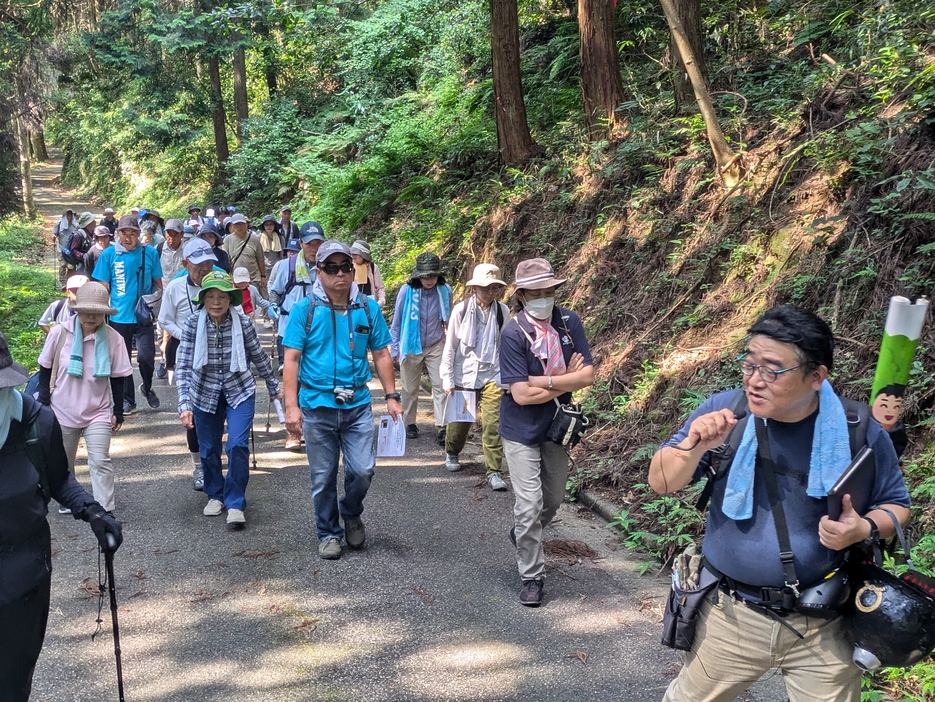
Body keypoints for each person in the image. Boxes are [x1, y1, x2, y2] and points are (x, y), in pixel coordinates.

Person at [648, 305, 911, 701]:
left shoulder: (858, 430)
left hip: (826, 621)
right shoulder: (727, 414)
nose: (754, 380)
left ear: (816, 376)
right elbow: (661, 482)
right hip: (732, 614)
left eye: (772, 369)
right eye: (749, 364)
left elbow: (896, 504)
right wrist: (694, 447)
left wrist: (864, 528)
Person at [0, 331, 122, 700]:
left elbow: (58, 479)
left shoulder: (36, 423)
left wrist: (93, 511)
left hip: (23, 570)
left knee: (12, 678)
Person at [283, 240, 402, 560]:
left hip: (357, 405)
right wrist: (291, 407)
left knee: (363, 471)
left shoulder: (367, 308)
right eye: (331, 268)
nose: (340, 274)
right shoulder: (303, 310)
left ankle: (350, 512)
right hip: (316, 405)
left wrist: (392, 396)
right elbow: (291, 358)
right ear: (318, 272)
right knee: (322, 477)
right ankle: (328, 532)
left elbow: (380, 352)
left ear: (354, 270)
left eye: (346, 267)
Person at [499, 258, 594, 607]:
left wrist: (542, 381)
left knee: (552, 500)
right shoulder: (512, 333)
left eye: (549, 291)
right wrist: (562, 380)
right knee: (529, 504)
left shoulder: (569, 322)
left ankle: (524, 534)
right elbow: (521, 396)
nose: (543, 298)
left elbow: (587, 376)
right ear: (521, 295)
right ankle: (531, 576)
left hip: (556, 426)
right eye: (535, 293)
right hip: (519, 429)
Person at [175, 271, 281, 529]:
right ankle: (215, 494)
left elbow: (258, 356)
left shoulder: (243, 323)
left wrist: (274, 387)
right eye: (210, 296)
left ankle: (235, 501)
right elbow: (184, 364)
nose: (216, 302)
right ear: (203, 299)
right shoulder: (192, 324)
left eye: (222, 296)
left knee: (236, 445)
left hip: (239, 390)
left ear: (230, 299)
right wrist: (184, 403)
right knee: (208, 448)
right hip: (204, 391)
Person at [37, 282, 133, 514]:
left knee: (100, 460)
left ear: (104, 313)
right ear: (77, 309)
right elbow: (45, 369)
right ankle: (69, 499)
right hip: (61, 409)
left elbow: (119, 377)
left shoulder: (113, 338)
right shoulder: (60, 333)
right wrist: (43, 406)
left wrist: (117, 411)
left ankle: (104, 508)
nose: (91, 315)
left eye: (97, 311)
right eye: (87, 310)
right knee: (63, 463)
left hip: (97, 410)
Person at [440, 264, 510, 490]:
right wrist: (447, 378)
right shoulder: (460, 310)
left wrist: (509, 377)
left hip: (493, 374)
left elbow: (506, 346)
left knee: (493, 423)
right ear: (475, 288)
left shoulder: (503, 312)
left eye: (494, 288)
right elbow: (450, 346)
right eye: (485, 287)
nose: (490, 292)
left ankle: (494, 471)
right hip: (464, 374)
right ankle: (452, 452)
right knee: (460, 423)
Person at [158, 238, 220, 491]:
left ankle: (214, 461)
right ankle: (199, 465)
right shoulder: (174, 287)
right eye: (199, 264)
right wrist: (188, 335)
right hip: (187, 356)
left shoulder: (219, 283)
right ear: (185, 263)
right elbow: (164, 320)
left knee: (217, 411)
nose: (205, 268)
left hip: (218, 354)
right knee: (193, 414)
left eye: (209, 263)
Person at [92, 214, 164, 415]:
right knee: (122, 362)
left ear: (139, 235)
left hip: (143, 315)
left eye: (133, 233)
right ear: (118, 234)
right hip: (118, 317)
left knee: (146, 357)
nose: (128, 237)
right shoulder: (109, 255)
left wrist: (161, 308)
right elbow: (102, 285)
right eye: (124, 233)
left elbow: (159, 283)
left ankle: (147, 387)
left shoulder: (149, 253)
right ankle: (128, 401)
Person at [269, 223, 325, 451]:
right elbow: (275, 291)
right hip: (290, 331)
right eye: (310, 243)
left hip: (321, 331)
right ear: (300, 243)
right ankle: (293, 433)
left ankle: (315, 428)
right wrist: (273, 306)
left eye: (318, 243)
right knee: (293, 380)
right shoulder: (287, 266)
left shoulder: (329, 265)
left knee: (316, 379)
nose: (314, 247)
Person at [390, 252, 452, 443]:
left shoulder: (445, 290)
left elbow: (450, 320)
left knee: (442, 385)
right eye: (425, 276)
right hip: (410, 344)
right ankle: (409, 423)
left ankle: (442, 426)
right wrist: (395, 348)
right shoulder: (406, 291)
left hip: (436, 343)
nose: (429, 279)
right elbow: (397, 322)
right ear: (418, 275)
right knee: (409, 388)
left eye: (432, 275)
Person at [222, 213, 266, 293]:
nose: (239, 226)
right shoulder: (227, 240)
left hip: (253, 279)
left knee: (253, 302)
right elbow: (225, 260)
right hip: (236, 279)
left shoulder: (254, 239)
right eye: (237, 224)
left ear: (246, 225)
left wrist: (263, 276)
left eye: (241, 224)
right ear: (232, 225)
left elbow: (260, 259)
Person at [350, 239, 386, 306]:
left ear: (363, 255)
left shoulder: (373, 267)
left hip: (370, 304)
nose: (353, 255)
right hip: (354, 305)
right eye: (352, 253)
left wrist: (380, 302)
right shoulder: (349, 267)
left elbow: (380, 287)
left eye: (356, 253)